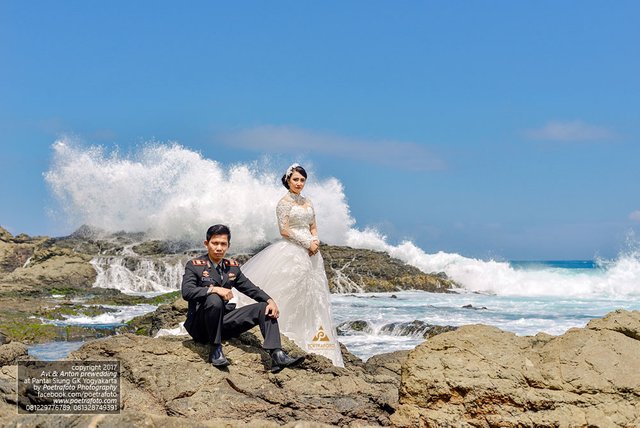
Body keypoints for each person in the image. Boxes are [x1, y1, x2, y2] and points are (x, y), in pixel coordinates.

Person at [235, 164, 344, 367]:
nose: (299, 183)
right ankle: (283, 338)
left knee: (313, 296)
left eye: (302, 180)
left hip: (312, 253)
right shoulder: (283, 203)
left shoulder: (308, 201)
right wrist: (306, 243)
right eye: (296, 180)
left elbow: (313, 225)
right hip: (293, 251)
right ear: (288, 180)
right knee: (291, 293)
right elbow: (284, 231)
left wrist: (316, 241)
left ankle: (315, 341)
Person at [181, 224, 304, 372]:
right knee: (214, 298)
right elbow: (187, 292)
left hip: (223, 323)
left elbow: (251, 289)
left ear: (228, 246)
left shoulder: (232, 267)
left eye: (223, 244)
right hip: (200, 327)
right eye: (215, 243)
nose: (219, 248)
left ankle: (277, 354)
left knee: (264, 307)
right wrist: (214, 289)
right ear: (206, 244)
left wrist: (270, 301)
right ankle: (215, 350)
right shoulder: (194, 265)